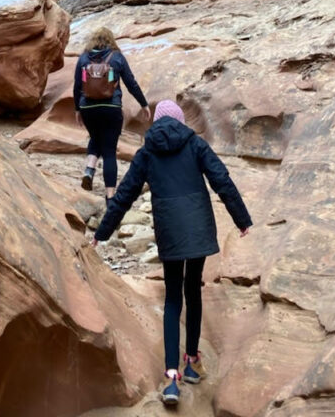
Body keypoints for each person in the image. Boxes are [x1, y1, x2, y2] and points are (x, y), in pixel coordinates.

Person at [92, 99, 252, 407]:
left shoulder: (148, 151)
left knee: (172, 300)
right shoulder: (195, 144)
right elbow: (222, 180)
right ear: (180, 121)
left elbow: (124, 194)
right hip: (198, 226)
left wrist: (102, 232)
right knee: (193, 291)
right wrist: (241, 220)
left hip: (170, 229)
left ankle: (171, 377)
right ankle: (191, 361)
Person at [74, 27, 151, 199]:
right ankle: (110, 195)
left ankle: (89, 169)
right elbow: (131, 83)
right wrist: (143, 104)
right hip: (111, 108)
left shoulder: (83, 58)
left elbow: (77, 86)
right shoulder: (116, 57)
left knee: (95, 137)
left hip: (88, 108)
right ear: (111, 40)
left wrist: (77, 109)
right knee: (109, 151)